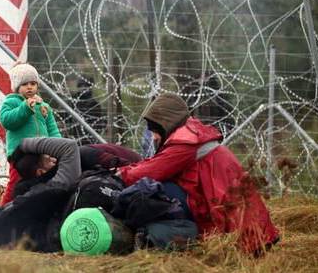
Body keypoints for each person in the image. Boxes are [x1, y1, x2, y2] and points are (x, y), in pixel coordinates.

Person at [116, 93, 279, 254]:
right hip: (246, 225)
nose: (153, 136)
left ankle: (156, 237)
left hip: (242, 233)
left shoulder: (186, 143)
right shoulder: (191, 135)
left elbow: (151, 172)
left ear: (166, 124)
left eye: (154, 129)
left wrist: (119, 175)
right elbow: (156, 163)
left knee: (156, 189)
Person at [0, 62, 62, 205]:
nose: (29, 87)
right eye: (25, 84)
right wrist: (25, 108)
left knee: (38, 182)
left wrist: (57, 147)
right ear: (17, 87)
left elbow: (52, 129)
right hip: (20, 155)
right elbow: (7, 121)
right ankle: (2, 210)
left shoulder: (43, 106)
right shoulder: (11, 102)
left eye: (33, 83)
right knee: (16, 183)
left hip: (41, 154)